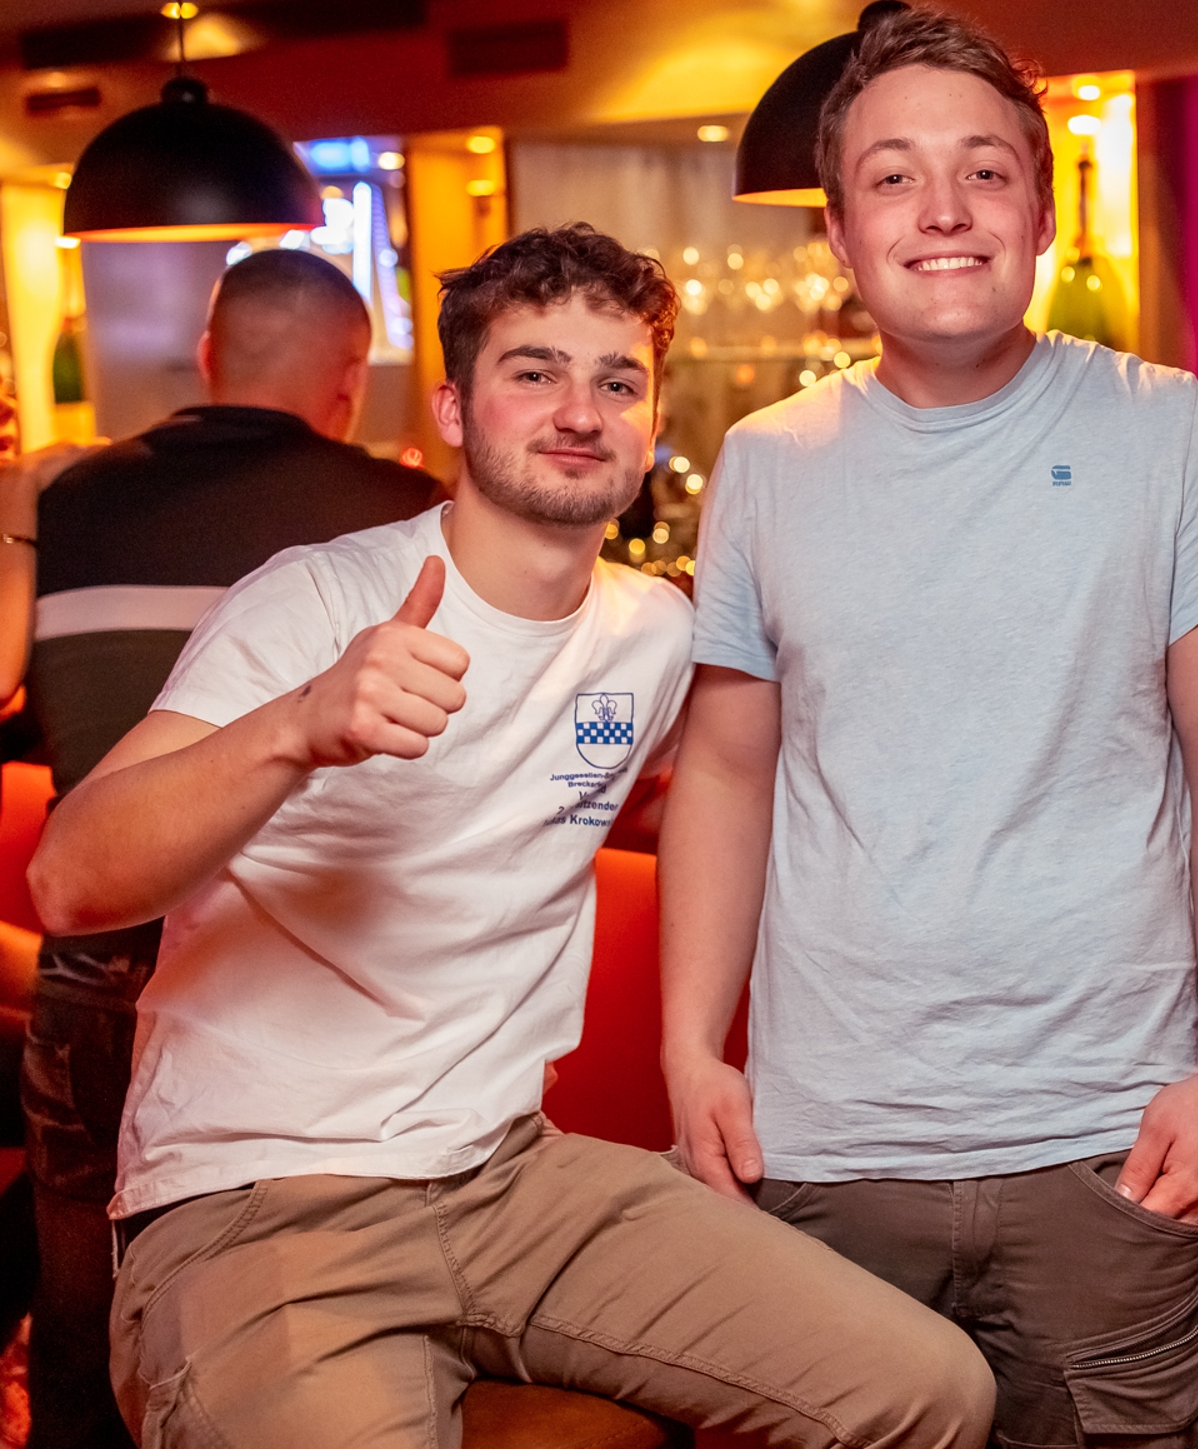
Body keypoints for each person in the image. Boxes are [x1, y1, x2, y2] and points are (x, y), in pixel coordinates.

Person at [28, 223, 991, 1449]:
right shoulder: (319, 600)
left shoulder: (652, 634)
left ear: (651, 422)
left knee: (928, 1392)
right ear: (452, 409)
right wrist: (297, 727)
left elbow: (710, 793)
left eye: (617, 382)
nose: (579, 411)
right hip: (263, 1196)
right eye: (534, 372)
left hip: (513, 1176)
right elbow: (71, 880)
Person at [660, 9, 1198, 1449]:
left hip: (1111, 1147)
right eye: (893, 177)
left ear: (1043, 207)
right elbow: (726, 769)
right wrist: (690, 1050)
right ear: (839, 232)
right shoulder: (765, 464)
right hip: (824, 1151)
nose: (942, 210)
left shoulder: (1168, 429)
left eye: (983, 171)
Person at [8, 247, 437, 1449]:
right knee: (267, 1345)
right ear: (348, 378)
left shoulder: (64, 501)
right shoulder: (403, 518)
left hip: (94, 968)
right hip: (291, 986)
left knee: (77, 1322)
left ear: (207, 356)